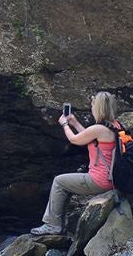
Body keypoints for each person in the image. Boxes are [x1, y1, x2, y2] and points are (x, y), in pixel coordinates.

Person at [30, 91, 120, 236]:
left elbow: (75, 140)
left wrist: (65, 124)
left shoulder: (98, 128)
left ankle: (53, 225)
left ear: (97, 108)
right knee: (66, 184)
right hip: (113, 179)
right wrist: (75, 123)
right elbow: (90, 139)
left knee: (59, 182)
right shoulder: (115, 126)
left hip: (100, 180)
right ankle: (60, 223)